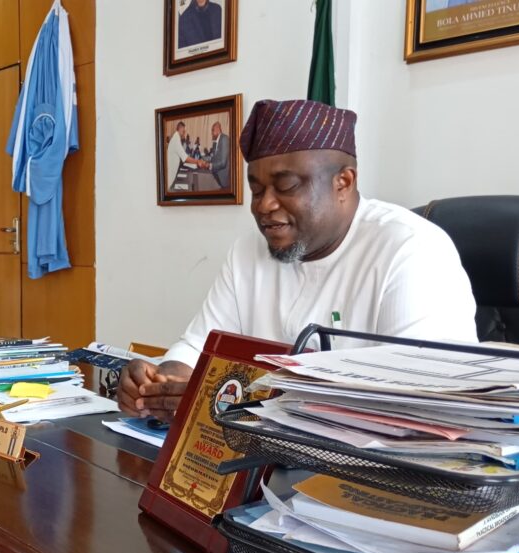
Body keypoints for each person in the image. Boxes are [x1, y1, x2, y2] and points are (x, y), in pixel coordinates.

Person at [121, 99, 477, 422]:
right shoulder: (248, 250)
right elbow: (197, 346)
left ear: (343, 182)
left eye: (286, 186)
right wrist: (159, 385)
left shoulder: (410, 250)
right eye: (257, 189)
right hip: (262, 461)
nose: (264, 205)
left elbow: (421, 408)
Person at [166, 121, 209, 189]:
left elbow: (183, 155)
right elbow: (185, 158)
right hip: (170, 176)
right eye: (184, 131)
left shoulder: (176, 138)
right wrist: (197, 161)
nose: (184, 133)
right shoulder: (176, 139)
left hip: (172, 173)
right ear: (180, 128)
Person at [208, 121, 231, 188]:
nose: (212, 133)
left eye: (213, 130)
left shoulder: (224, 139)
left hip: (222, 178)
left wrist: (210, 165)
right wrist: (202, 158)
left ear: (218, 129)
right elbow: (213, 157)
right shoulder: (215, 142)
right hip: (216, 174)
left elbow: (223, 163)